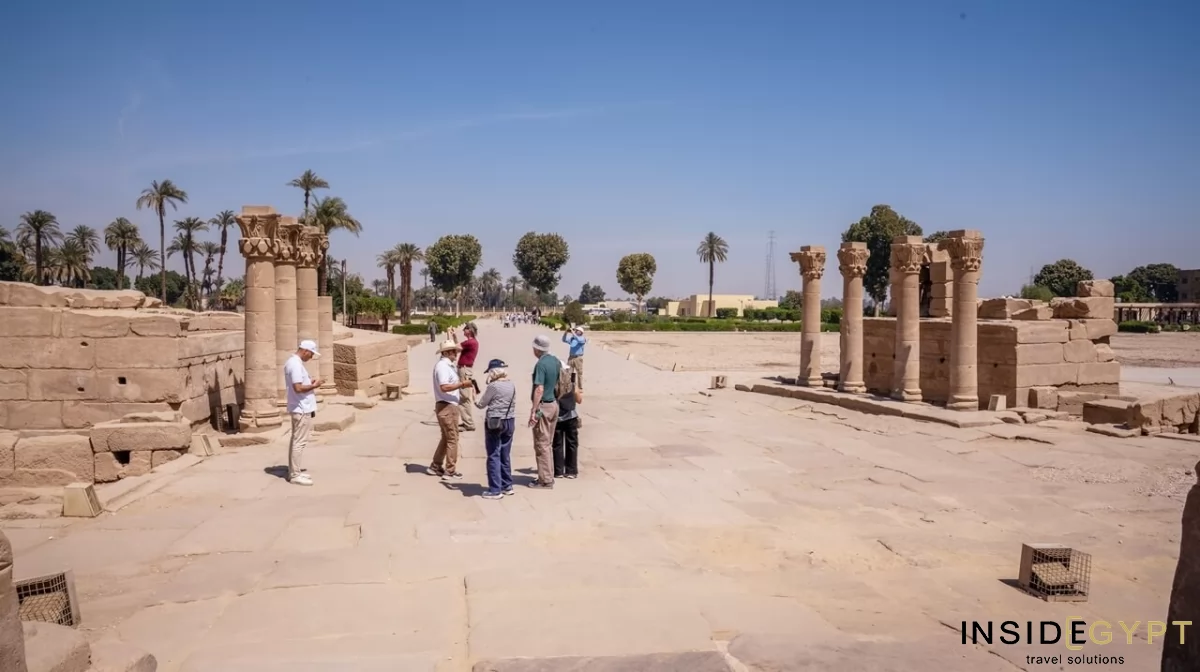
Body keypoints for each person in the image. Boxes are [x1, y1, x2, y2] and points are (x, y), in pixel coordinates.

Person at [475, 358, 517, 499]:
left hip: (495, 422)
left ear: (493, 372)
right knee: (505, 454)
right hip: (509, 420)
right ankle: (507, 485)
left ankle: (495, 489)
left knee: (493, 454)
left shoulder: (494, 387)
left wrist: (473, 396)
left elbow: (481, 404)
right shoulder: (511, 385)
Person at [284, 340, 323, 486]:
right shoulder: (295, 364)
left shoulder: (294, 363)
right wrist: (314, 385)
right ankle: (294, 475)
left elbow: (299, 385)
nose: (311, 357)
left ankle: (295, 471)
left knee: (296, 440)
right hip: (301, 408)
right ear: (305, 351)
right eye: (311, 354)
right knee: (299, 442)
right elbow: (298, 388)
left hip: (300, 407)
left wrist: (309, 383)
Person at [431, 339, 470, 480]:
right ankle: (450, 470)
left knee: (446, 437)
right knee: (453, 438)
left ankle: (435, 465)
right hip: (447, 405)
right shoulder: (442, 367)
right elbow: (444, 387)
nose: (456, 354)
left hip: (447, 404)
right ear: (446, 352)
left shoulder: (448, 365)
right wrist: (462, 384)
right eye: (454, 351)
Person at [528, 334, 560, 489]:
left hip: (544, 406)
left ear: (537, 349)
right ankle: (547, 474)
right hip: (554, 404)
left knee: (542, 444)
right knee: (548, 443)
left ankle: (546, 480)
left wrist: (534, 410)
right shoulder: (555, 361)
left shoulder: (540, 364)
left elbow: (539, 388)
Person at [553, 363, 583, 479]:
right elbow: (579, 400)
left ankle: (558, 470)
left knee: (557, 444)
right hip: (571, 415)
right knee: (572, 444)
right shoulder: (571, 383)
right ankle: (571, 470)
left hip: (557, 417)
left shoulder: (553, 383)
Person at [453, 323, 480, 432]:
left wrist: (450, 336)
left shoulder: (471, 342)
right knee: (464, 397)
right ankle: (467, 421)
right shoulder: (471, 342)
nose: (463, 331)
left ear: (470, 330)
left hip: (464, 370)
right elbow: (458, 347)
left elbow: (455, 348)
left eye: (465, 329)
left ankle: (468, 423)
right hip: (465, 370)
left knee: (464, 398)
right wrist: (454, 336)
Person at [562, 324, 587, 391]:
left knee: (579, 373)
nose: (575, 331)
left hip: (578, 358)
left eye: (577, 330)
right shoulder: (573, 338)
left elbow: (578, 339)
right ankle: (569, 386)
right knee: (568, 372)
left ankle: (580, 387)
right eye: (575, 330)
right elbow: (564, 340)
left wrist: (572, 332)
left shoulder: (582, 339)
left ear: (581, 332)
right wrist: (566, 332)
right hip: (571, 357)